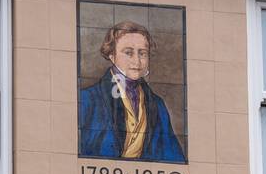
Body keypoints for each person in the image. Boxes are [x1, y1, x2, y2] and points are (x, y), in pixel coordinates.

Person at [79, 20, 186, 163]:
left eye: (142, 53)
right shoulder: (87, 99)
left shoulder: (157, 105)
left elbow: (172, 157)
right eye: (128, 53)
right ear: (112, 55)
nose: (137, 61)